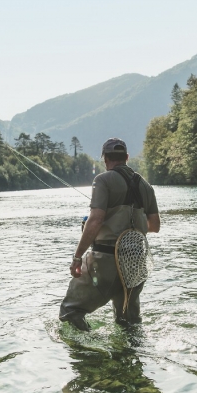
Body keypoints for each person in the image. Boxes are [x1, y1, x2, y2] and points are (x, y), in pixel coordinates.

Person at [59, 137, 160, 331]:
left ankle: (88, 348)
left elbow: (95, 220)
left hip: (106, 260)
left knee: (70, 312)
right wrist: (130, 229)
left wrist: (77, 257)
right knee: (128, 323)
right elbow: (154, 226)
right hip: (136, 261)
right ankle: (132, 350)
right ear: (127, 157)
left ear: (105, 158)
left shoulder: (102, 180)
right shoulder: (146, 186)